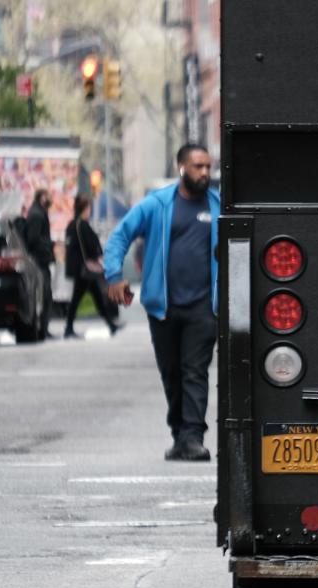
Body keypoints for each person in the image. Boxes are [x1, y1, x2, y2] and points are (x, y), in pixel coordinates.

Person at [105, 143, 220, 462]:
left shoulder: (217, 207)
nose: (205, 172)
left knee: (195, 370)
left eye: (208, 167)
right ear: (182, 168)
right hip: (164, 307)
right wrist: (114, 275)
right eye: (198, 166)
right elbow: (119, 236)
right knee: (171, 373)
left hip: (203, 308)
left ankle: (193, 436)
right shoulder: (158, 205)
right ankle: (179, 435)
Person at [64, 195, 122, 338]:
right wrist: (98, 255)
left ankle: (110, 324)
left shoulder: (72, 224)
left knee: (95, 297)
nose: (90, 210)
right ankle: (68, 328)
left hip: (80, 268)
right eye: (89, 207)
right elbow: (90, 244)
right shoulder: (81, 224)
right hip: (84, 268)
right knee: (77, 298)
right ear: (85, 209)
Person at [24, 188, 55, 339]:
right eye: (48, 195)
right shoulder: (37, 214)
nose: (50, 198)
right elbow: (33, 238)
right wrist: (49, 244)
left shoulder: (39, 212)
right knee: (45, 295)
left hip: (41, 260)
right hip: (39, 261)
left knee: (46, 295)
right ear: (42, 197)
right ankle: (42, 329)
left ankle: (44, 328)